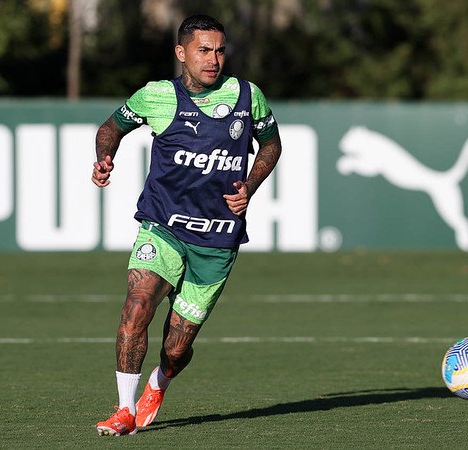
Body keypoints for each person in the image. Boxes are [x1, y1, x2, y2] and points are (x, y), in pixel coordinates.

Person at [92, 14, 282, 436]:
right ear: (181, 53)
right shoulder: (156, 97)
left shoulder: (247, 95)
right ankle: (124, 410)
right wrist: (105, 157)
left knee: (177, 347)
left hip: (216, 241)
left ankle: (159, 382)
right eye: (204, 50)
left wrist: (250, 184)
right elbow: (111, 128)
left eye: (219, 50)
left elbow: (271, 144)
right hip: (163, 227)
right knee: (136, 307)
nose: (214, 59)